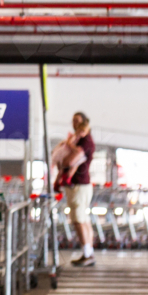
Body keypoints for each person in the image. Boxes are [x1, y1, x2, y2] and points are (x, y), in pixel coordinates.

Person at [62, 112, 96, 266]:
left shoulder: (85, 142)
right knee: (83, 219)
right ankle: (88, 252)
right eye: (73, 120)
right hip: (80, 185)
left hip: (79, 185)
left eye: (77, 121)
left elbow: (70, 161)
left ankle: (87, 253)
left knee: (78, 220)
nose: (74, 124)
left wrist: (64, 161)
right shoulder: (80, 140)